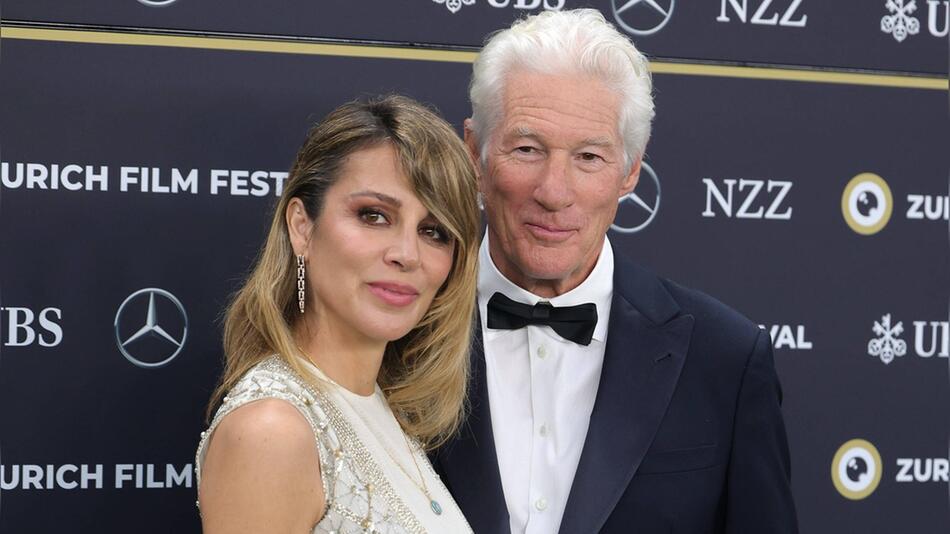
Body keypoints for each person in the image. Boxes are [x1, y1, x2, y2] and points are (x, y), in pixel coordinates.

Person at [432, 9, 798, 534]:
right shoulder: (400, 328)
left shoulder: (726, 360)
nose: (554, 192)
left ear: (630, 171)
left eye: (588, 157)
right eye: (528, 149)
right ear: (475, 154)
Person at [195, 95, 479, 533]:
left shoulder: (382, 408)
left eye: (433, 231)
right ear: (301, 227)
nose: (407, 254)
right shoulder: (271, 431)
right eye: (373, 215)